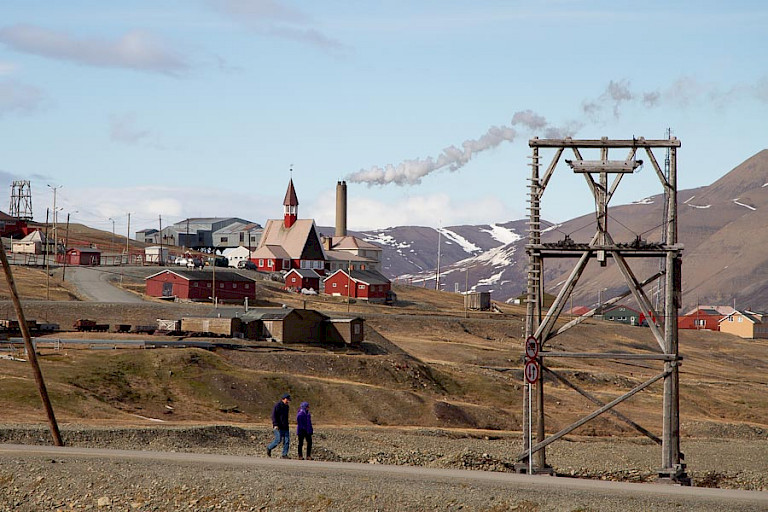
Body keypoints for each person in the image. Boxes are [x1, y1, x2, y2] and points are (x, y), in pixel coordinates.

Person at [267, 393, 291, 458]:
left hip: (285, 427)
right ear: (283, 399)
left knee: (287, 441)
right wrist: (275, 424)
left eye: (289, 400)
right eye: (287, 400)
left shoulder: (287, 407)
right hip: (278, 427)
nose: (288, 401)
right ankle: (269, 447)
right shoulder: (277, 406)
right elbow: (274, 416)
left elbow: (286, 417)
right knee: (278, 440)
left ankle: (284, 454)